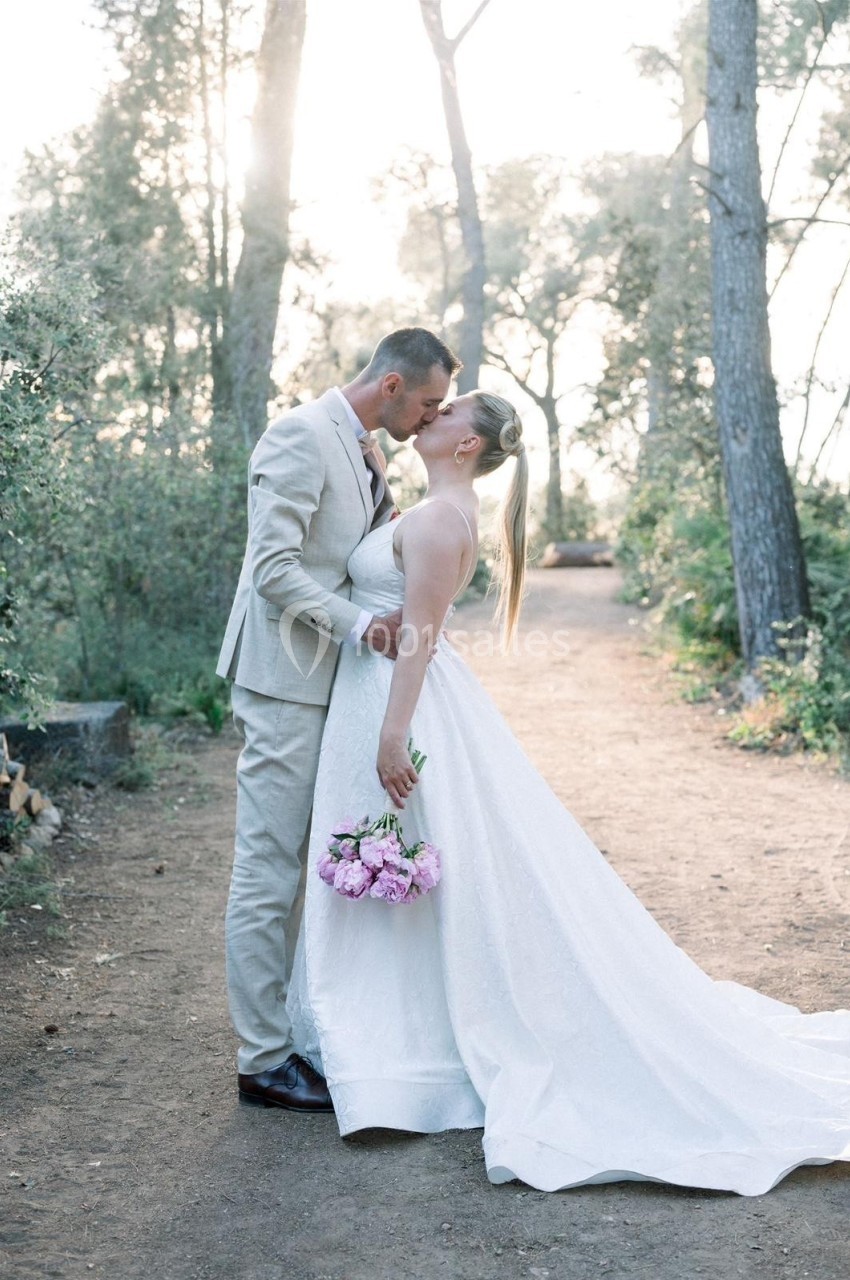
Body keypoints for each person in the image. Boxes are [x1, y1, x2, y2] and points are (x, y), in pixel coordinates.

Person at [287, 389, 850, 1195]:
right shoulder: (431, 504)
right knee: (400, 868)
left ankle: (409, 1053)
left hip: (398, 705)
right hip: (372, 697)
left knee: (410, 861)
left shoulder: (445, 520)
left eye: (448, 412)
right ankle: (384, 1039)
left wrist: (392, 733)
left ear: (467, 447)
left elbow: (419, 635)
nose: (431, 413)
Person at [216, 327, 461, 1111]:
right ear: (391, 385)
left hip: (337, 686)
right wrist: (364, 629)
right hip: (286, 680)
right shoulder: (298, 436)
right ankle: (262, 1060)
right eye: (427, 402)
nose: (432, 418)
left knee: (306, 862)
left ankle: (308, 1031)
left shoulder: (368, 450)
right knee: (269, 865)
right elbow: (273, 568)